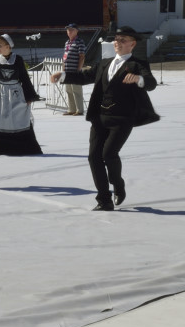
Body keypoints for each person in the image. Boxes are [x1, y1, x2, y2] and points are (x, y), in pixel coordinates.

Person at [85, 26, 158, 211]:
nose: (117, 43)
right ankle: (104, 200)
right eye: (116, 39)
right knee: (94, 157)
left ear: (132, 44)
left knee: (108, 154)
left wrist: (138, 79)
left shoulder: (137, 64)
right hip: (100, 117)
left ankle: (118, 184)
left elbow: (151, 83)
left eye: (122, 40)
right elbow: (85, 75)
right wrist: (62, 76)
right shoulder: (105, 62)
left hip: (122, 119)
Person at [50, 24, 86, 116]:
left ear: (76, 31)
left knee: (76, 90)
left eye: (71, 30)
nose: (69, 32)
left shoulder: (79, 41)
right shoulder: (67, 42)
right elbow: (64, 57)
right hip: (67, 71)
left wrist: (78, 69)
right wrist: (63, 70)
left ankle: (79, 110)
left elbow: (82, 56)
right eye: (68, 30)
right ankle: (71, 109)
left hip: (75, 70)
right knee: (69, 90)